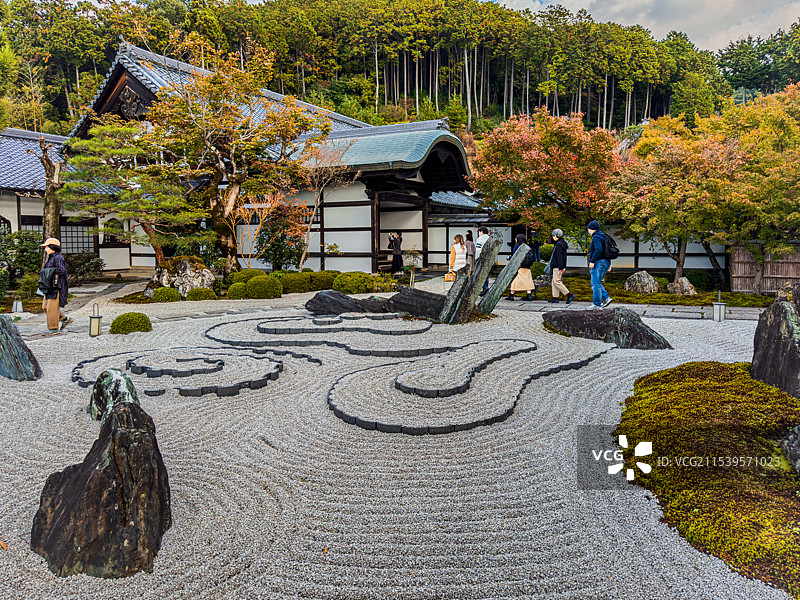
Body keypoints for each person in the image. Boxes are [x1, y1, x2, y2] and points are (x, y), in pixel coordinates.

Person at [39, 237, 71, 335]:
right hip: (49, 286)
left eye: (47, 247)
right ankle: (64, 319)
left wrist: (48, 274)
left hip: (56, 286)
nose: (45, 249)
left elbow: (61, 271)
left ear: (52, 247)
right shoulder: (52, 257)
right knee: (45, 307)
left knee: (51, 308)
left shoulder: (58, 258)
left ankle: (53, 328)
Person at [587, 220, 613, 309]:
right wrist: (609, 264)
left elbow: (598, 250)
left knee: (595, 283)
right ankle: (606, 298)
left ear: (593, 229)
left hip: (599, 262)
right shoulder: (604, 236)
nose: (589, 230)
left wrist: (592, 261)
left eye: (589, 229)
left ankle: (597, 304)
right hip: (606, 262)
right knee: (597, 282)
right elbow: (608, 251)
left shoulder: (596, 237)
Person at [549, 229, 575, 304]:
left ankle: (569, 294)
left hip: (558, 266)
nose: (553, 237)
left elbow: (560, 257)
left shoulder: (559, 245)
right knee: (554, 282)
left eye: (553, 235)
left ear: (556, 236)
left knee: (557, 282)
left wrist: (561, 267)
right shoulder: (561, 243)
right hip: (559, 265)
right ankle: (555, 297)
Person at [507, 233, 534, 301]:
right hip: (527, 266)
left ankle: (511, 295)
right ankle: (529, 295)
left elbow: (515, 257)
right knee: (528, 281)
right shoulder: (527, 247)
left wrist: (509, 258)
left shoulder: (517, 247)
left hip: (519, 267)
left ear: (518, 240)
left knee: (515, 281)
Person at [474, 226, 491, 296]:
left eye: (479, 232)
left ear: (481, 232)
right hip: (488, 258)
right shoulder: (489, 238)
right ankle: (485, 288)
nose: (478, 233)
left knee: (480, 274)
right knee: (486, 274)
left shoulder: (480, 239)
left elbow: (478, 249)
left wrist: (476, 258)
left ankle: (485, 288)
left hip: (480, 258)